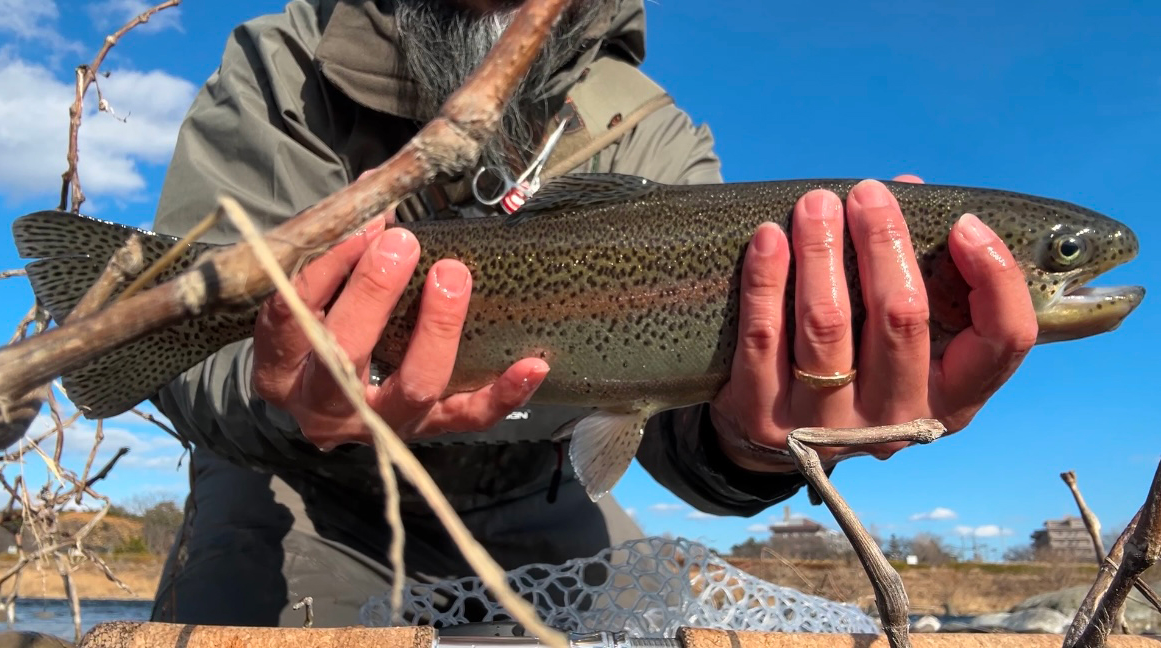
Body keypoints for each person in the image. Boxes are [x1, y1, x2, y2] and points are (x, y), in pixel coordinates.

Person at [145, 0, 1038, 629]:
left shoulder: (657, 135)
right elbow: (165, 347)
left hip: (545, 489)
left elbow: (684, 433)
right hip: (300, 489)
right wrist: (292, 394)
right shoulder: (284, 64)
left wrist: (761, 439)